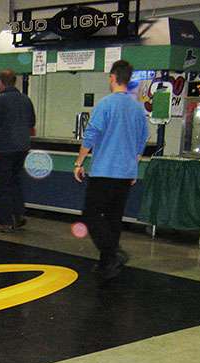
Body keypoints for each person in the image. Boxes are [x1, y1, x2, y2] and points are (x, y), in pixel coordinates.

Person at [74, 60, 148, 282]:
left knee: (91, 215)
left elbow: (91, 135)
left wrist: (79, 162)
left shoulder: (105, 105)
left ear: (114, 77)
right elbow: (142, 140)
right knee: (114, 218)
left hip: (104, 170)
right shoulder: (137, 108)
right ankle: (107, 262)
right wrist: (133, 167)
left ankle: (113, 253)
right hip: (125, 173)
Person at [0, 69, 35, 232]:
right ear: (15, 81)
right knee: (15, 181)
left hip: (4, 148)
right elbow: (32, 122)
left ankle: (4, 221)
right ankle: (18, 216)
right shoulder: (26, 100)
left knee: (3, 184)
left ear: (1, 83)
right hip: (22, 147)